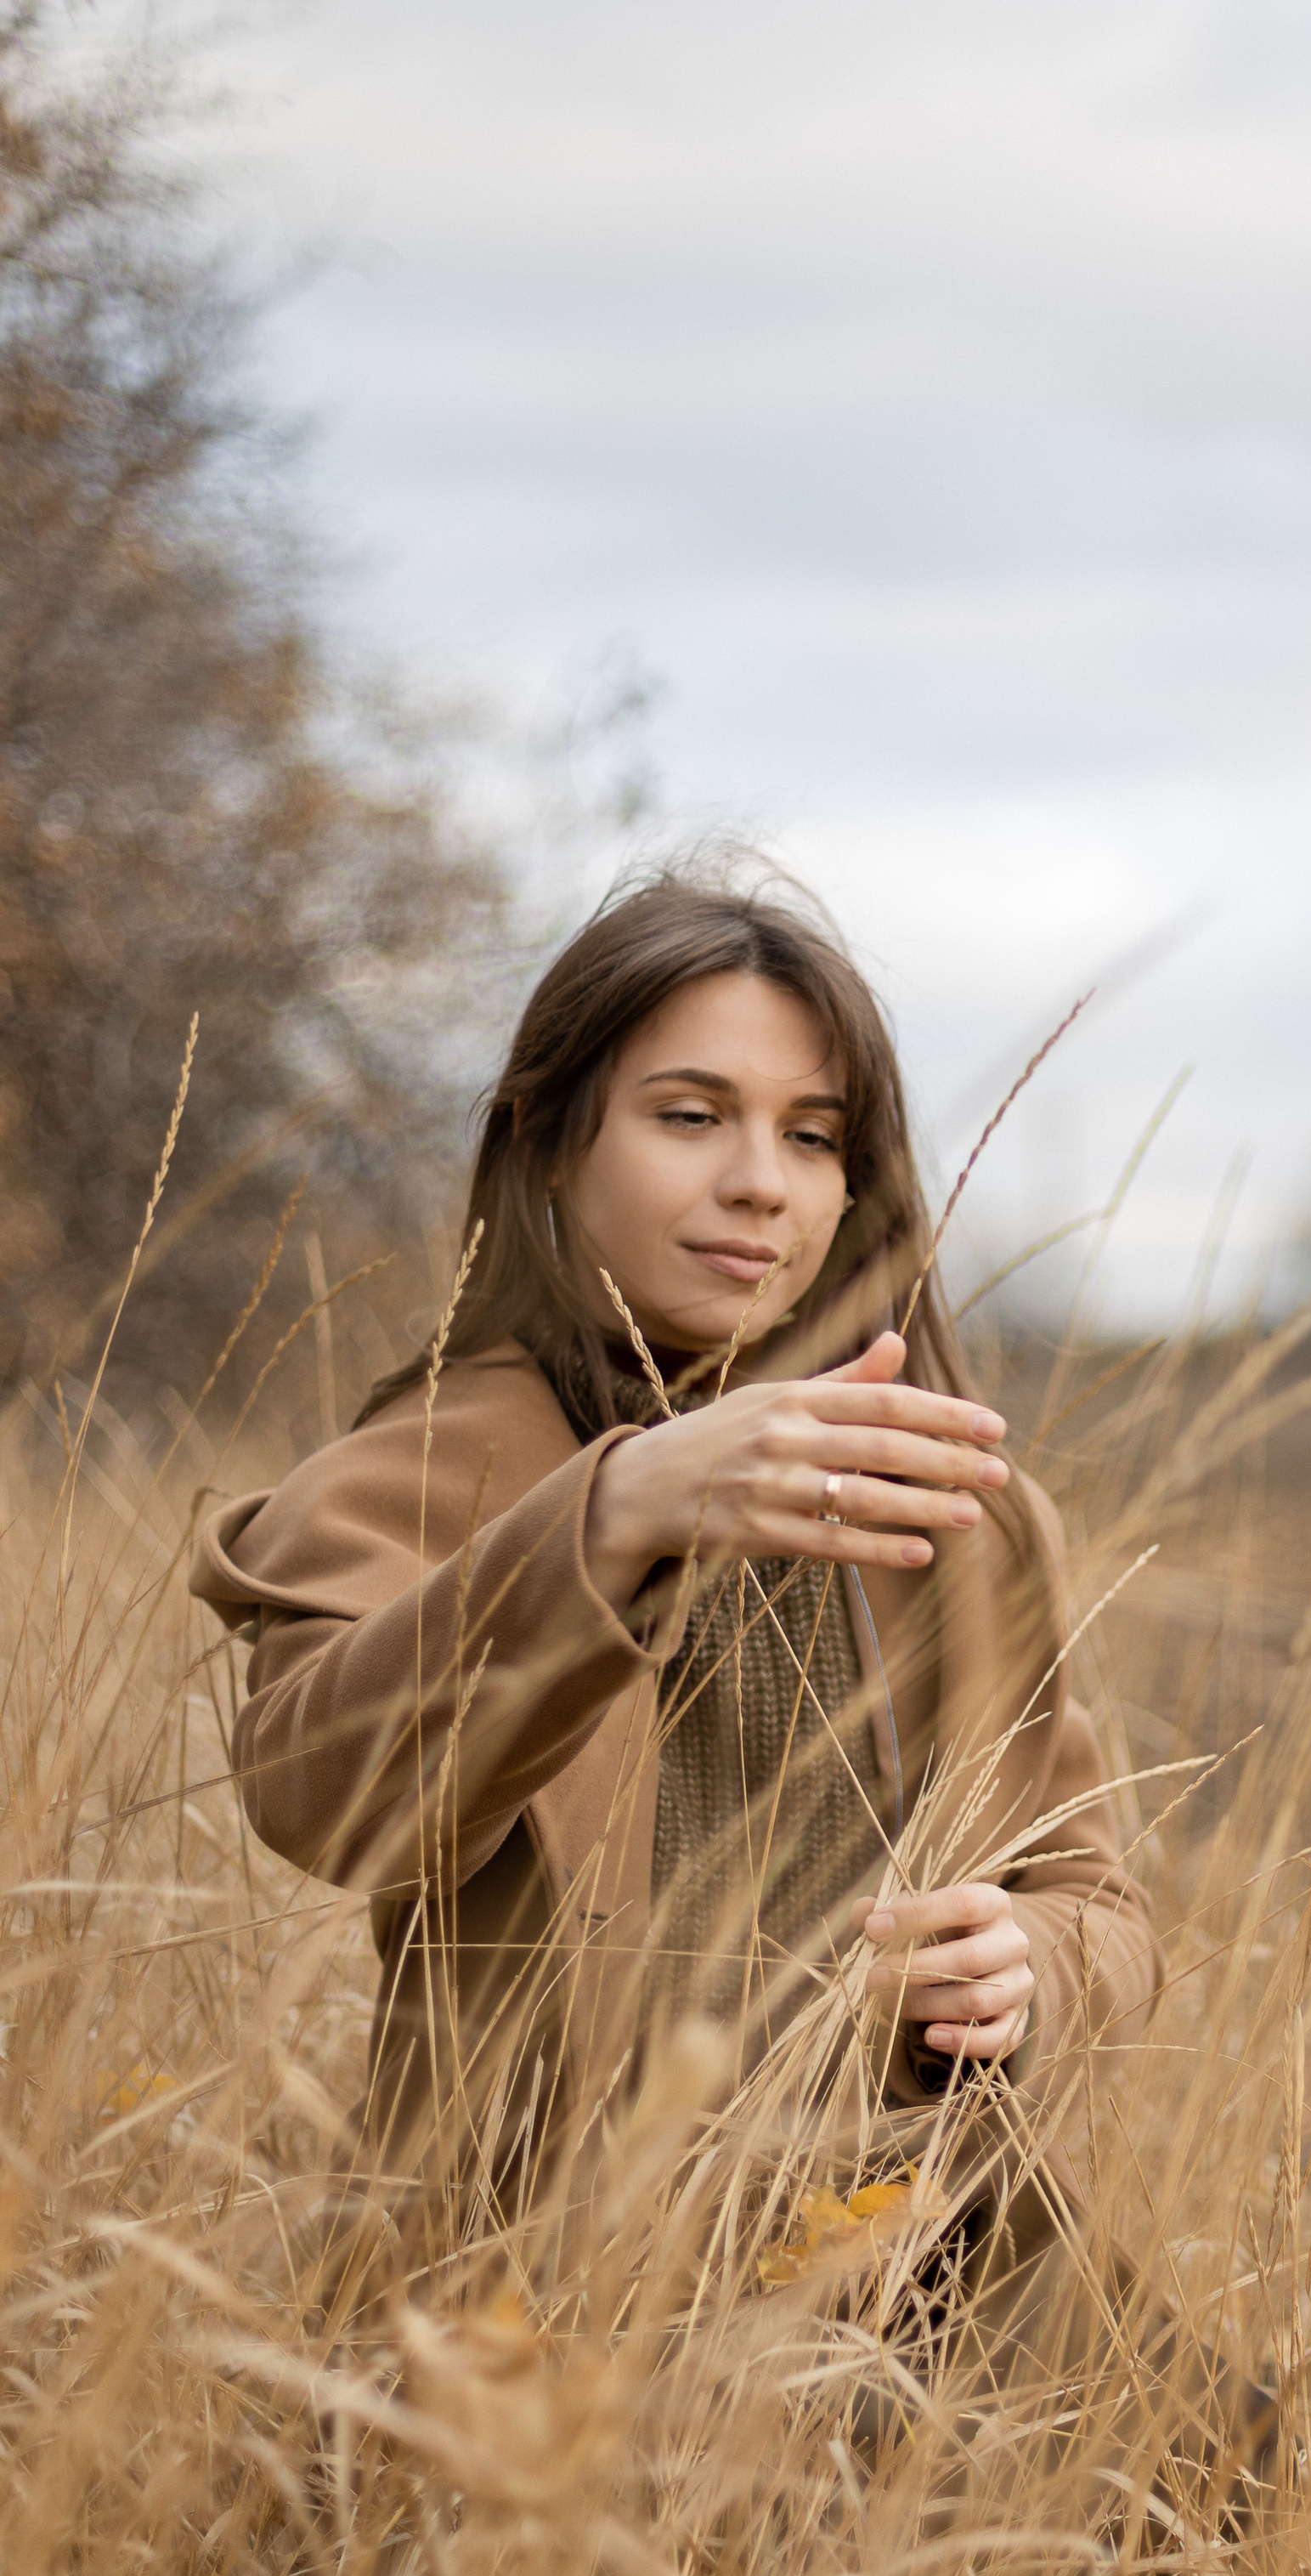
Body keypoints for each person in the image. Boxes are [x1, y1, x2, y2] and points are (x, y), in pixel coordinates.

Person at [189, 871, 1164, 2331]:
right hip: (537, 2310)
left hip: (931, 2275)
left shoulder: (958, 1507)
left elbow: (1101, 1900)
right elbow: (323, 1799)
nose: (762, 1181)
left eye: (813, 1135)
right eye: (692, 1115)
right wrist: (618, 1512)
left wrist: (1029, 1973)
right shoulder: (428, 1468)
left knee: (1239, 2512)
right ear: (549, 1145)